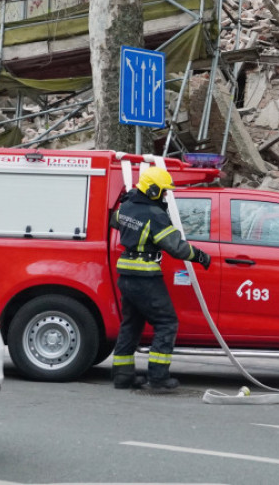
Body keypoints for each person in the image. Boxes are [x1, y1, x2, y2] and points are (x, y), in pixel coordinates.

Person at [110, 166, 211, 392]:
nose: (165, 195)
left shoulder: (126, 206)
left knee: (131, 325)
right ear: (152, 189)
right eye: (163, 191)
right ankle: (158, 377)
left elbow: (114, 221)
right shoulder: (154, 214)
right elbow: (175, 247)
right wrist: (201, 256)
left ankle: (122, 377)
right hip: (145, 275)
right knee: (166, 323)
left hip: (126, 274)